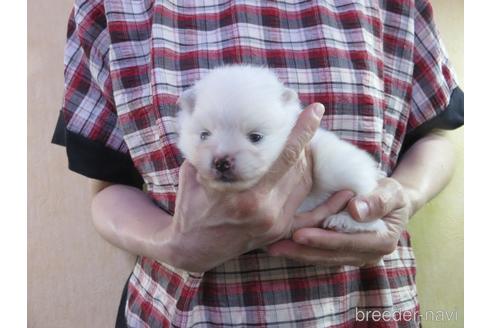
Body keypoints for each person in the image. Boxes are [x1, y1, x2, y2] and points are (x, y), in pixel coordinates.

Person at [52, 0, 463, 327]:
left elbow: (433, 138)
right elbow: (107, 188)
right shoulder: (111, 8)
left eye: (253, 137)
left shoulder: (395, 5)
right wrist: (168, 242)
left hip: (367, 307)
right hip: (182, 313)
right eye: (206, 134)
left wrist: (403, 196)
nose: (223, 156)